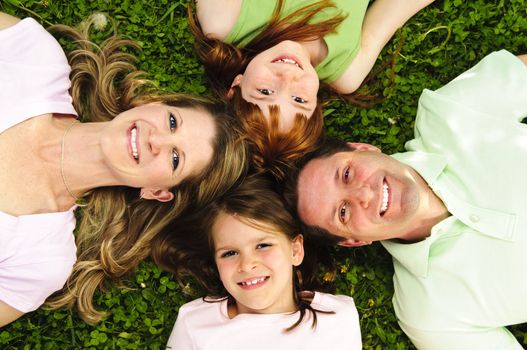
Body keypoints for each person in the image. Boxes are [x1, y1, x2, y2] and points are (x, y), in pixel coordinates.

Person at [0, 12, 247, 327]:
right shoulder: (35, 61)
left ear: (157, 192)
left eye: (175, 158)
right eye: (172, 122)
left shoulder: (41, 259)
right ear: (154, 103)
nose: (156, 140)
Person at [286, 50, 527, 349]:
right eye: (343, 212)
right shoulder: (430, 315)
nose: (363, 195)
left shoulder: (450, 113)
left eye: (347, 174)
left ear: (363, 148)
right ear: (354, 241)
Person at [189, 0, 434, 175]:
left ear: (236, 86)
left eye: (264, 92)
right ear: (316, 105)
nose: (287, 78)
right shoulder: (346, 71)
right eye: (298, 99)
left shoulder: (224, 21)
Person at [157, 175, 361, 349]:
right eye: (229, 253)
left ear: (295, 250)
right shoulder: (195, 322)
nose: (246, 265)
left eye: (263, 246)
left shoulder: (337, 318)